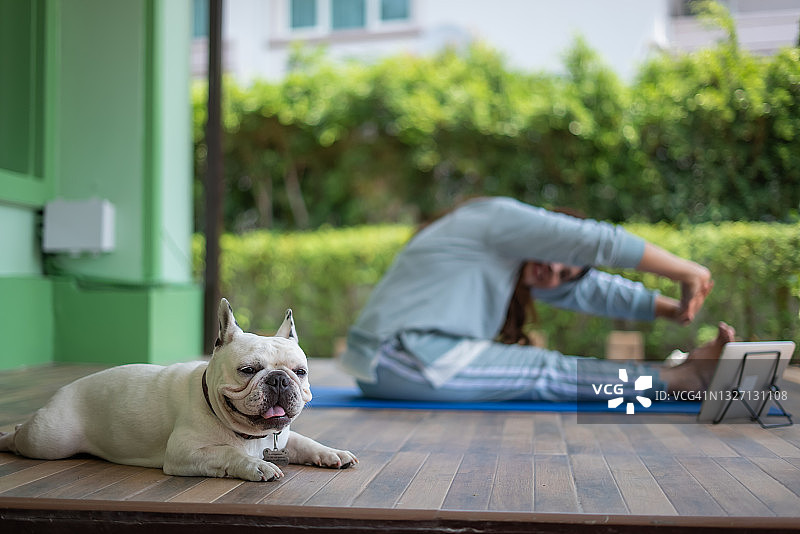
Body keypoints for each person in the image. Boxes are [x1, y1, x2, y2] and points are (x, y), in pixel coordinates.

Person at [338, 196, 731, 402]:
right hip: (396, 357)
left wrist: (671, 309)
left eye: (563, 275)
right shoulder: (499, 219)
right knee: (546, 372)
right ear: (550, 232)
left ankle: (676, 376)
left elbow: (595, 291)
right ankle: (680, 378)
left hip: (398, 359)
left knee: (546, 369)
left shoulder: (510, 263)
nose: (552, 271)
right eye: (559, 260)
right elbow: (596, 241)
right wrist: (687, 271)